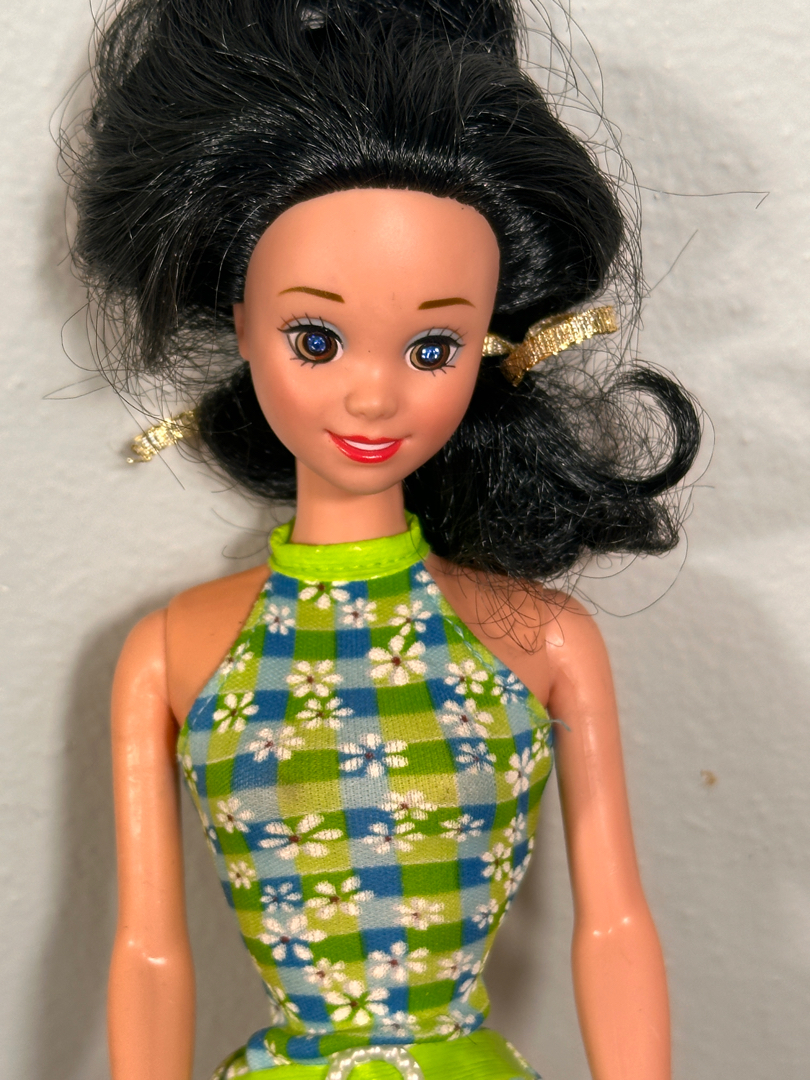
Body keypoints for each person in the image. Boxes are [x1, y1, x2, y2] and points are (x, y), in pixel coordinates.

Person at [67, 2, 700, 1078]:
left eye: (432, 347)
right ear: (240, 322)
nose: (372, 395)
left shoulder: (543, 639)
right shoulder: (171, 654)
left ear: (489, 341)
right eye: (316, 339)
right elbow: (147, 955)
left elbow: (617, 926)